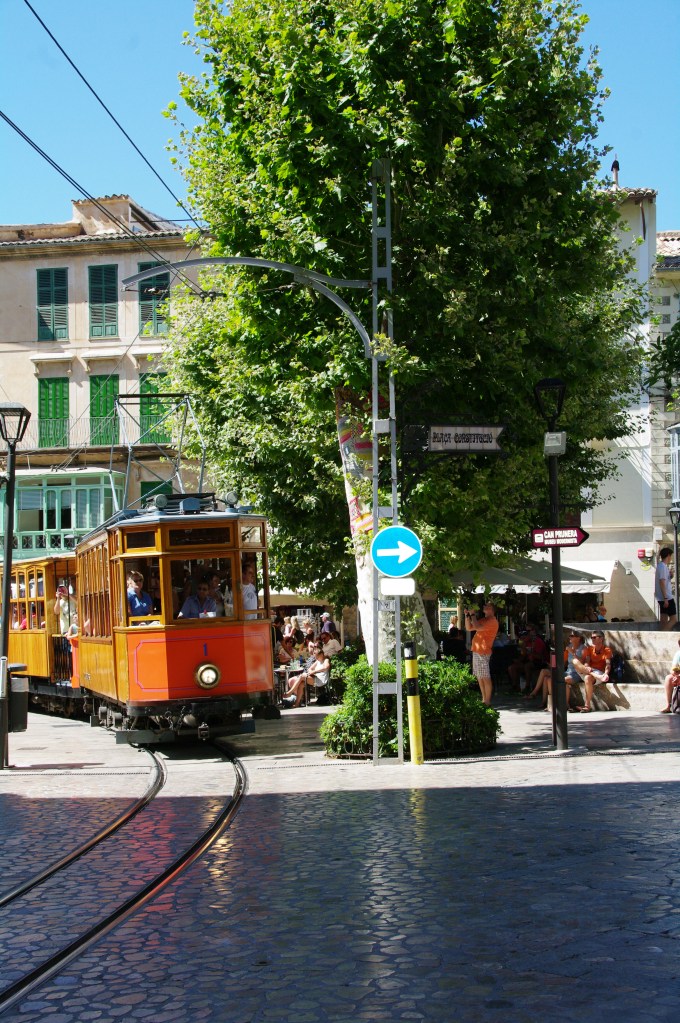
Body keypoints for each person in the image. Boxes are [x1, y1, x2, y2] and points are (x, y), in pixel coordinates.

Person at [464, 602, 498, 705]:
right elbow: (469, 628)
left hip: (483, 651)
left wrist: (473, 614)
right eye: (484, 605)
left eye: (487, 606)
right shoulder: (485, 619)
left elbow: (477, 627)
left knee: (485, 676)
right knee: (480, 676)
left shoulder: (492, 621)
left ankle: (487, 701)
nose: (484, 606)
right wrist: (467, 616)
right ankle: (484, 699)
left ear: (492, 609)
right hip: (477, 650)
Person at [571, 631, 612, 712]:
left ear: (601, 639)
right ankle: (594, 674)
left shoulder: (607, 650)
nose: (592, 639)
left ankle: (587, 706)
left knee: (587, 678)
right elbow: (587, 661)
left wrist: (606, 674)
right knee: (574, 661)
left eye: (594, 637)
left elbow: (608, 664)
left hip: (599, 673)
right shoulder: (589, 649)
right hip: (590, 671)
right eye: (591, 637)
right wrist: (587, 666)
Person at [282, 642, 330, 707]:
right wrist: (311, 672)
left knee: (302, 676)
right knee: (301, 684)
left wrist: (315, 671)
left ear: (321, 654)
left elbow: (326, 667)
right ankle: (297, 703)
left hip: (321, 680)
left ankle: (290, 692)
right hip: (315, 677)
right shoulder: (317, 661)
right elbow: (310, 668)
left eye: (316, 655)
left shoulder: (326, 660)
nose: (315, 657)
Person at [655, 548, 677, 630]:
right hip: (666, 597)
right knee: (673, 619)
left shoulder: (661, 566)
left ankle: (661, 634)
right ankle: (663, 634)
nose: (671, 558)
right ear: (668, 555)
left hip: (662, 597)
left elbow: (664, 580)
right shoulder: (663, 567)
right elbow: (662, 582)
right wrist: (666, 598)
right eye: (671, 556)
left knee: (664, 620)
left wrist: (670, 576)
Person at [660, 638, 680, 713]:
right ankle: (668, 706)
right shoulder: (678, 654)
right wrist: (676, 676)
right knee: (668, 678)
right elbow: (672, 669)